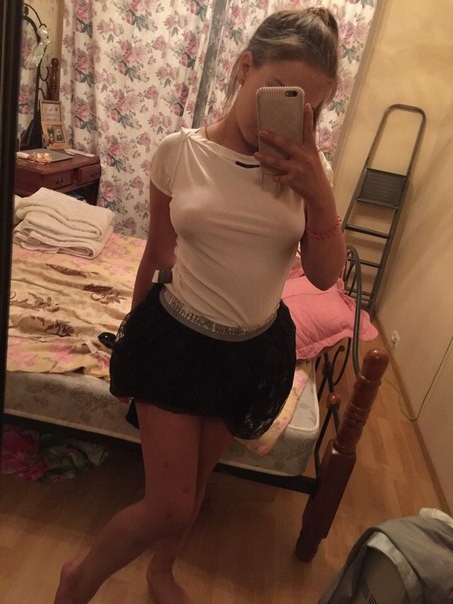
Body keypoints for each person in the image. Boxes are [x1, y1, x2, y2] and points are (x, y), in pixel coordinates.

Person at [55, 7, 346, 604]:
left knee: (197, 484)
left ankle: (161, 572)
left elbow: (323, 276)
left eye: (308, 108)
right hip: (176, 340)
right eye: (277, 90)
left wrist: (318, 191)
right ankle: (79, 578)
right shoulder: (178, 153)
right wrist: (130, 348)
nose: (290, 117)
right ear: (244, 67)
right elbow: (158, 252)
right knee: (170, 503)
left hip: (250, 350)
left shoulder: (309, 173)